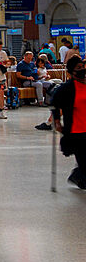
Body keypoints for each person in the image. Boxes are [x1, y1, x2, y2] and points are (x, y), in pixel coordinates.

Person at [50, 56, 86, 189]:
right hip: (76, 131)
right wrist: (57, 121)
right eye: (78, 68)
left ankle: (78, 176)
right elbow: (55, 104)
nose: (82, 70)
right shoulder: (67, 89)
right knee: (83, 161)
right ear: (71, 72)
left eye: (82, 66)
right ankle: (79, 176)